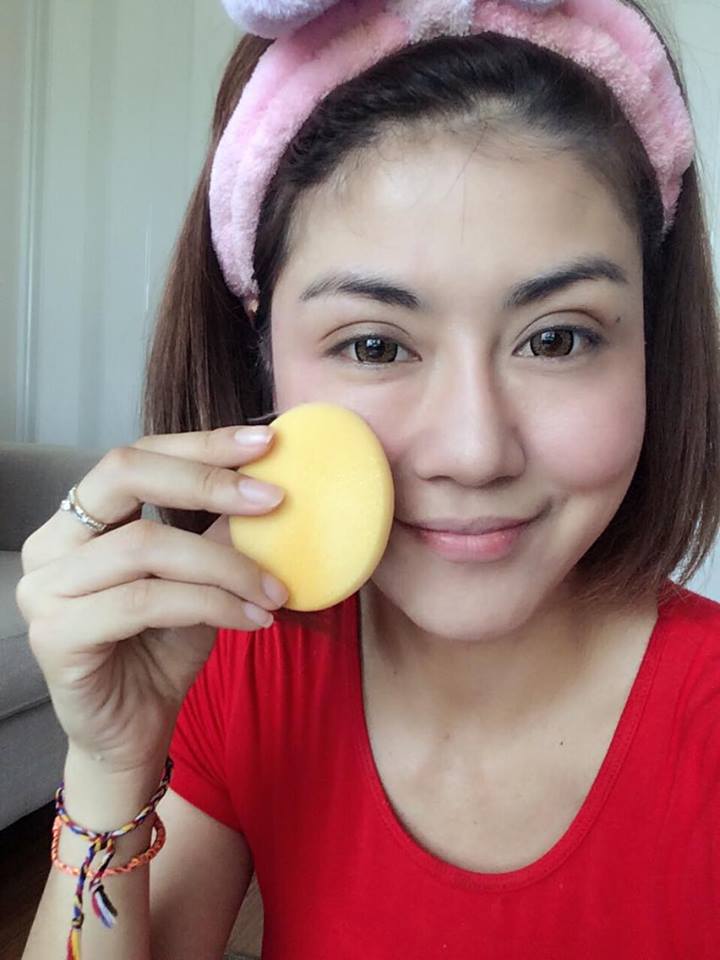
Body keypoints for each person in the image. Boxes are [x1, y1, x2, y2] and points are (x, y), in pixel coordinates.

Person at [16, 0, 720, 957]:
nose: (474, 451)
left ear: (651, 343)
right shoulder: (241, 663)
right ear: (264, 351)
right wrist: (109, 767)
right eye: (376, 345)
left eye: (557, 338)